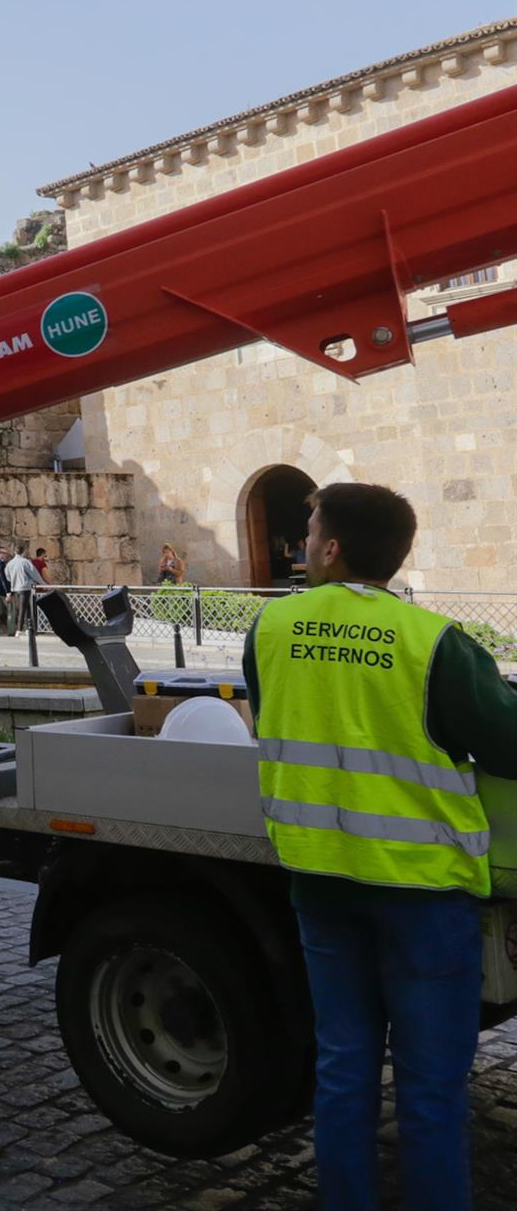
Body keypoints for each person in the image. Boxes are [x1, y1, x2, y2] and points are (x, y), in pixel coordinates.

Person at [246, 483, 517, 1210]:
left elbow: (273, 716)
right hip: (422, 894)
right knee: (430, 1089)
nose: (302, 546)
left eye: (308, 534)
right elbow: (507, 744)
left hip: (322, 883)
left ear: (332, 549)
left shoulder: (270, 629)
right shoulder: (433, 643)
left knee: (343, 1073)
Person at [3, 545, 39, 635]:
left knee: (26, 608)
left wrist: (14, 580)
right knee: (24, 609)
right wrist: (42, 583)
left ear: (14, 552)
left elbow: (7, 577)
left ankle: (28, 628)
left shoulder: (9, 564)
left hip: (16, 588)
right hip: (25, 587)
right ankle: (19, 630)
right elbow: (34, 574)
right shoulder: (25, 562)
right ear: (23, 551)